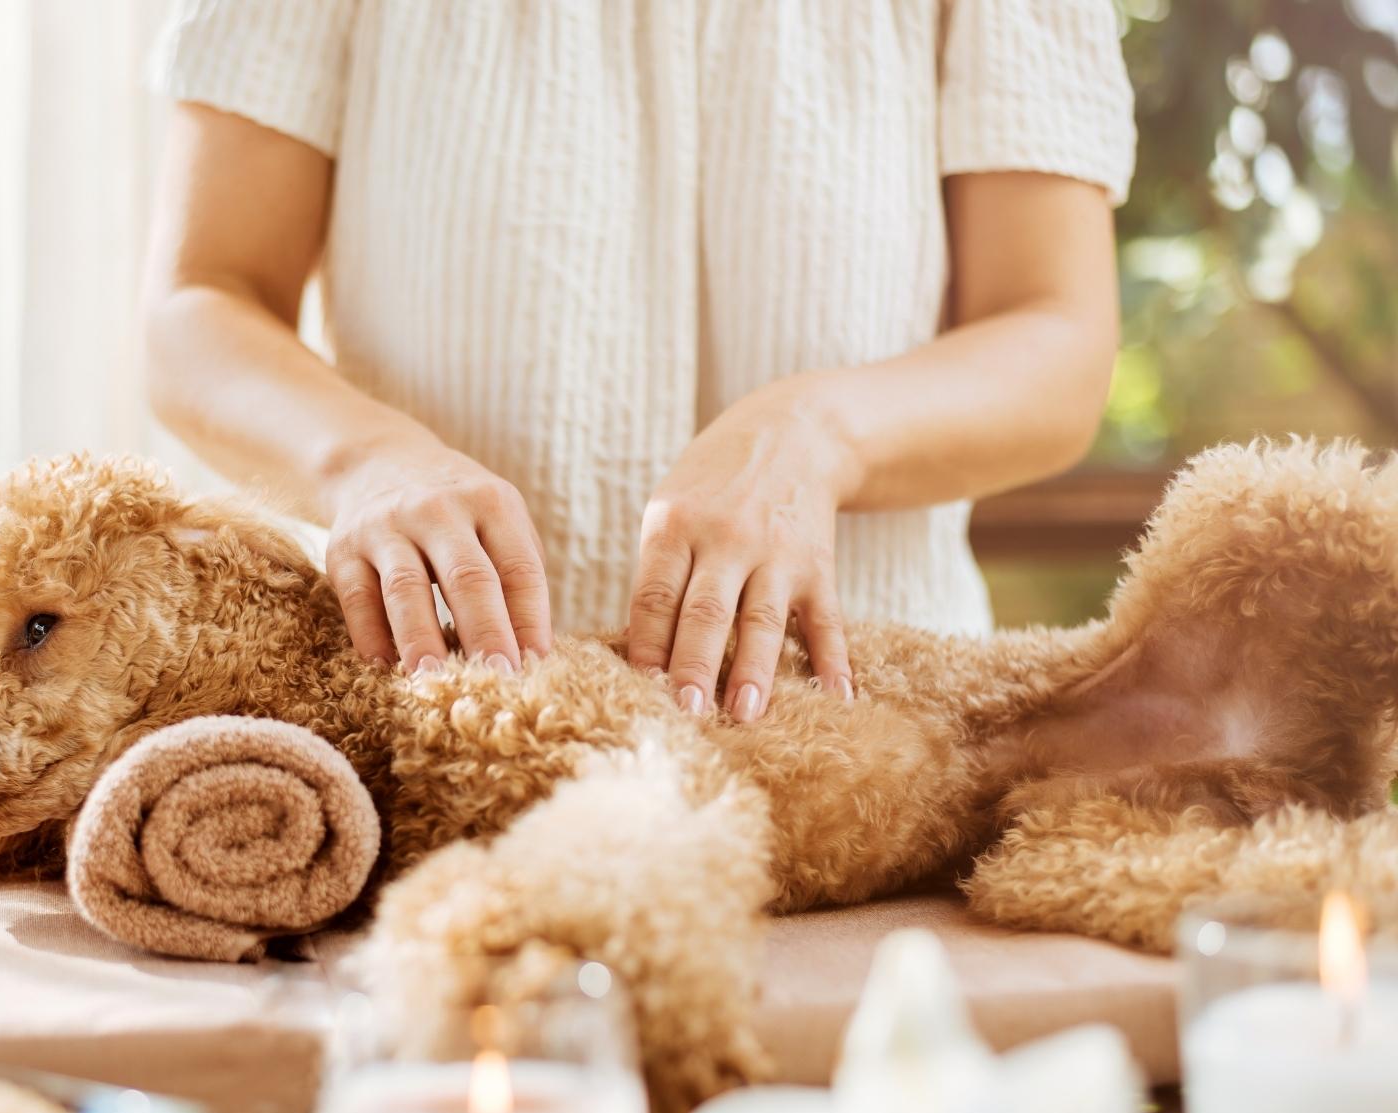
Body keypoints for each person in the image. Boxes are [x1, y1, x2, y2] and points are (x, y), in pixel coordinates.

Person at [141, 0, 1134, 723]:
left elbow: (1057, 339)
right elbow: (200, 303)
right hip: (435, 739)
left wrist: (820, 435)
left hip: (873, 751)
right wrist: (361, 459)